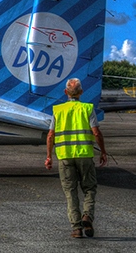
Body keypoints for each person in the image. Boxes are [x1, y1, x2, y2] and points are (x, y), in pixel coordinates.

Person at [45, 77, 108, 238]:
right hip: (85, 155)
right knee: (89, 188)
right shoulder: (87, 108)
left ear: (66, 92)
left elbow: (51, 135)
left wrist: (49, 156)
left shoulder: (58, 110)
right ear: (81, 92)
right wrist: (103, 151)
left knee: (70, 192)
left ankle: (76, 228)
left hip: (65, 157)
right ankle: (87, 215)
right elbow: (96, 132)